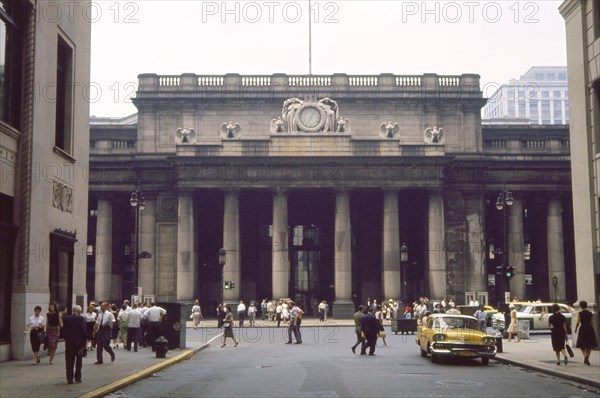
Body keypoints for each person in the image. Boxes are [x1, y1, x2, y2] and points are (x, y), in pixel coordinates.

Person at [63, 305, 86, 384]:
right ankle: (78, 377)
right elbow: (83, 331)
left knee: (69, 362)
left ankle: (69, 379)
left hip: (69, 343)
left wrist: (66, 339)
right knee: (78, 361)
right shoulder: (81, 319)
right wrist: (84, 342)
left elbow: (64, 331)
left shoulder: (67, 318)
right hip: (79, 344)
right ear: (79, 312)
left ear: (73, 311)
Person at [574, 300, 597, 365]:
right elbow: (591, 322)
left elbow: (578, 322)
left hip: (583, 328)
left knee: (582, 344)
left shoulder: (580, 313)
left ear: (580, 306)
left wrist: (575, 329)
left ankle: (585, 356)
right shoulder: (590, 313)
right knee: (589, 345)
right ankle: (587, 357)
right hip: (589, 328)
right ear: (586, 305)